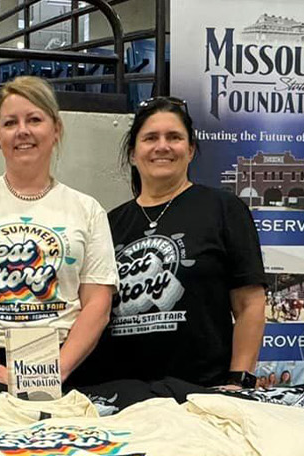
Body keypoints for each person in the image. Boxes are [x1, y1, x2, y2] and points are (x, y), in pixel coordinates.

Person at [0, 76, 117, 385]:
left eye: (34, 119)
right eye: (10, 123)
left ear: (56, 130)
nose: (23, 131)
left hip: (67, 364)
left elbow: (98, 304)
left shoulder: (88, 209)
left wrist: (57, 370)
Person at [77, 96, 267, 389]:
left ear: (190, 150)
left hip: (201, 392)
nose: (162, 146)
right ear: (132, 153)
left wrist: (239, 379)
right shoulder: (107, 223)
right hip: (118, 394)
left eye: (174, 137)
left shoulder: (223, 209)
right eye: (150, 138)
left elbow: (249, 303)